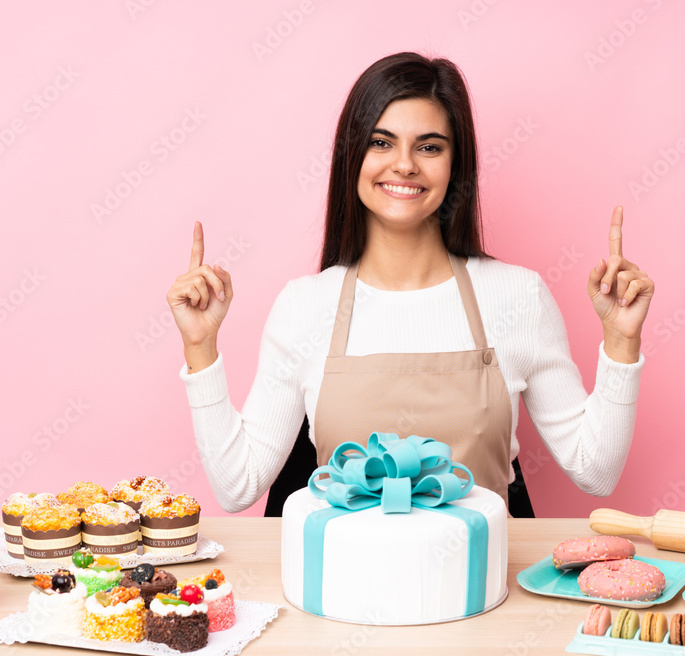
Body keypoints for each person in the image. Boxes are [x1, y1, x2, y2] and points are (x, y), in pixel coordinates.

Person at [167, 52, 654, 514]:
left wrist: (621, 340)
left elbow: (596, 472)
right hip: (342, 595)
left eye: (429, 147)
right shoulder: (304, 306)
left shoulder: (518, 296)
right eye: (381, 143)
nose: (405, 164)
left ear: (455, 164)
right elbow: (238, 486)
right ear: (352, 156)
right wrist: (200, 347)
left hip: (482, 594)